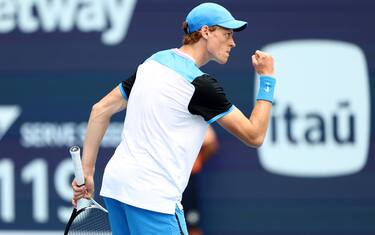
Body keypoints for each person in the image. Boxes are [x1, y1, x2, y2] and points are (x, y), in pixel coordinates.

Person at [72, 2, 276, 235]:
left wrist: (87, 174)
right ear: (206, 32)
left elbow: (100, 110)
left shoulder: (152, 62)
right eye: (227, 34)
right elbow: (255, 135)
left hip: (117, 188)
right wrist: (267, 79)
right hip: (153, 198)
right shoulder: (200, 85)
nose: (233, 42)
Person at [183, 126, 218, 235]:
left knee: (192, 223)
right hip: (163, 179)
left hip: (188, 178)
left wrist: (194, 162)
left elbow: (211, 144)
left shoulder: (195, 113)